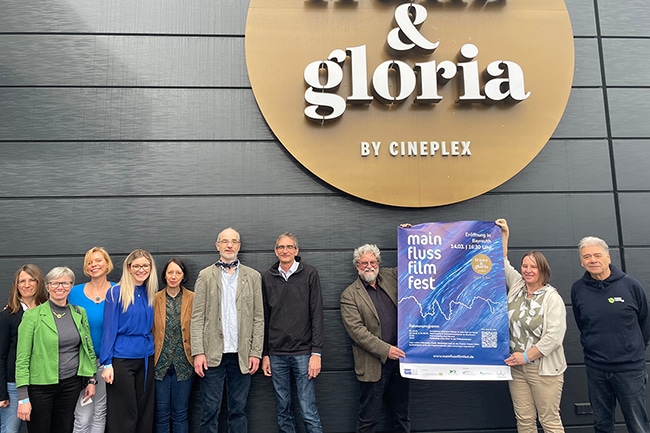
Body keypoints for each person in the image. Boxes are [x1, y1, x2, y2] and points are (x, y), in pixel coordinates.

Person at [571, 236, 650, 433]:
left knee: (637, 425)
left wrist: (632, 350)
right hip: (596, 369)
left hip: (629, 369)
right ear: (581, 261)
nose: (592, 260)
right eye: (587, 256)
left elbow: (645, 323)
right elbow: (583, 324)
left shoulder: (631, 286)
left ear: (608, 257)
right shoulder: (578, 289)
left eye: (597, 255)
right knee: (602, 425)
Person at [496, 219, 567, 433]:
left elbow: (554, 337)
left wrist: (526, 357)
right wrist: (505, 234)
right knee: (525, 421)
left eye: (532, 267)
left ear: (542, 270)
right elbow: (501, 260)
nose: (527, 270)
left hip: (543, 370)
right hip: (516, 369)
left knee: (549, 422)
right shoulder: (517, 285)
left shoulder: (551, 298)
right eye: (525, 266)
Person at [190, 227, 264, 433]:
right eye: (225, 241)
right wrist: (198, 352)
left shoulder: (253, 277)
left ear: (239, 246)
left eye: (234, 241)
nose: (229, 245)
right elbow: (197, 318)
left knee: (238, 411)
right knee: (209, 411)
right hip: (212, 355)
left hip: (242, 356)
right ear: (217, 246)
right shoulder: (205, 276)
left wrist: (256, 352)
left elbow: (259, 319)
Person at [15, 267, 97, 433]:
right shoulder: (32, 316)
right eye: (55, 283)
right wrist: (23, 397)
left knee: (64, 428)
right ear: (47, 286)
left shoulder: (79, 313)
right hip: (40, 386)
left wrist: (91, 379)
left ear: (71, 286)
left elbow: (88, 349)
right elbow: (22, 358)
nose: (60, 287)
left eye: (65, 283)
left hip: (70, 384)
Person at [340, 243, 410, 433]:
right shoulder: (349, 295)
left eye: (372, 262)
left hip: (401, 362)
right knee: (368, 421)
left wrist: (410, 236)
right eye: (364, 263)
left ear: (378, 263)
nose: (369, 266)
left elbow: (411, 263)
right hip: (373, 365)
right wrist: (386, 350)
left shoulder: (390, 276)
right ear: (357, 266)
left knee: (401, 417)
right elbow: (357, 332)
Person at [261, 233, 324, 433]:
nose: (285, 250)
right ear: (275, 251)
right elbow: (264, 317)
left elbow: (317, 314)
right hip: (277, 354)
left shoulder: (310, 274)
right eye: (281, 247)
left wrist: (316, 352)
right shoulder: (267, 278)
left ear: (296, 251)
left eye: (289, 247)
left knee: (308, 409)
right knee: (283, 409)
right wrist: (265, 354)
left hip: (304, 354)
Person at [100, 249, 158, 433]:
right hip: (122, 359)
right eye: (137, 266)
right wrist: (107, 363)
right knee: (124, 411)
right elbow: (108, 329)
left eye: (145, 266)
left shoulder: (150, 293)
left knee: (145, 410)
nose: (141, 270)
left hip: (146, 357)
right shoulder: (115, 293)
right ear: (129, 268)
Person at [68, 247, 116, 433]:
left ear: (107, 265)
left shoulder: (117, 290)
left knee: (100, 412)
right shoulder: (74, 293)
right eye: (90, 262)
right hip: (82, 363)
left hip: (108, 363)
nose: (94, 265)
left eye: (98, 261)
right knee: (83, 414)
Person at [0, 265, 48, 433]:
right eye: (22, 281)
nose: (26, 285)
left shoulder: (49, 311)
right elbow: (1, 355)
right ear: (16, 285)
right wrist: (2, 393)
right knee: (10, 430)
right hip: (14, 384)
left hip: (42, 383)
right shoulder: (8, 315)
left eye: (31, 280)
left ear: (39, 282)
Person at [153, 258, 195, 433]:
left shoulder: (193, 298)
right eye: (170, 272)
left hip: (184, 363)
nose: (173, 276)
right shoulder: (154, 298)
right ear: (164, 274)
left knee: (180, 413)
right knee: (161, 414)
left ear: (183, 275)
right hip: (159, 363)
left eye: (178, 272)